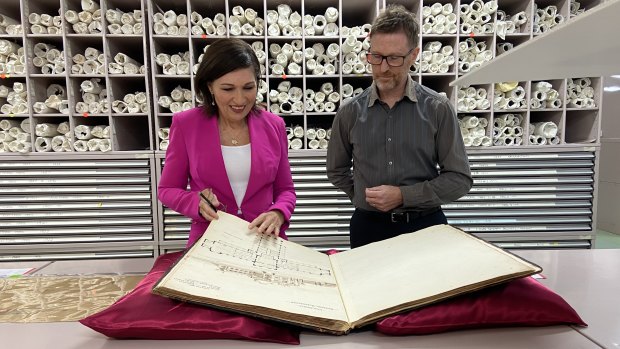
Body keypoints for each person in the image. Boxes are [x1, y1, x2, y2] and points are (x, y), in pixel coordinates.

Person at [326, 5, 472, 248]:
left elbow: (459, 179)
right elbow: (336, 171)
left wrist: (404, 196)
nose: (383, 68)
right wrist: (363, 196)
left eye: (394, 58)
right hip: (368, 228)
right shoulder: (349, 112)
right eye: (376, 56)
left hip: (425, 227)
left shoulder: (438, 108)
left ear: (413, 55)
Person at [158, 38, 296, 247]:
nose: (240, 100)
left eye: (248, 87)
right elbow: (167, 189)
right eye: (228, 89)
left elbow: (286, 190)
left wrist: (278, 212)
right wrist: (194, 202)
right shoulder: (186, 125)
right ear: (210, 87)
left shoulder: (274, 126)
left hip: (264, 238)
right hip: (210, 239)